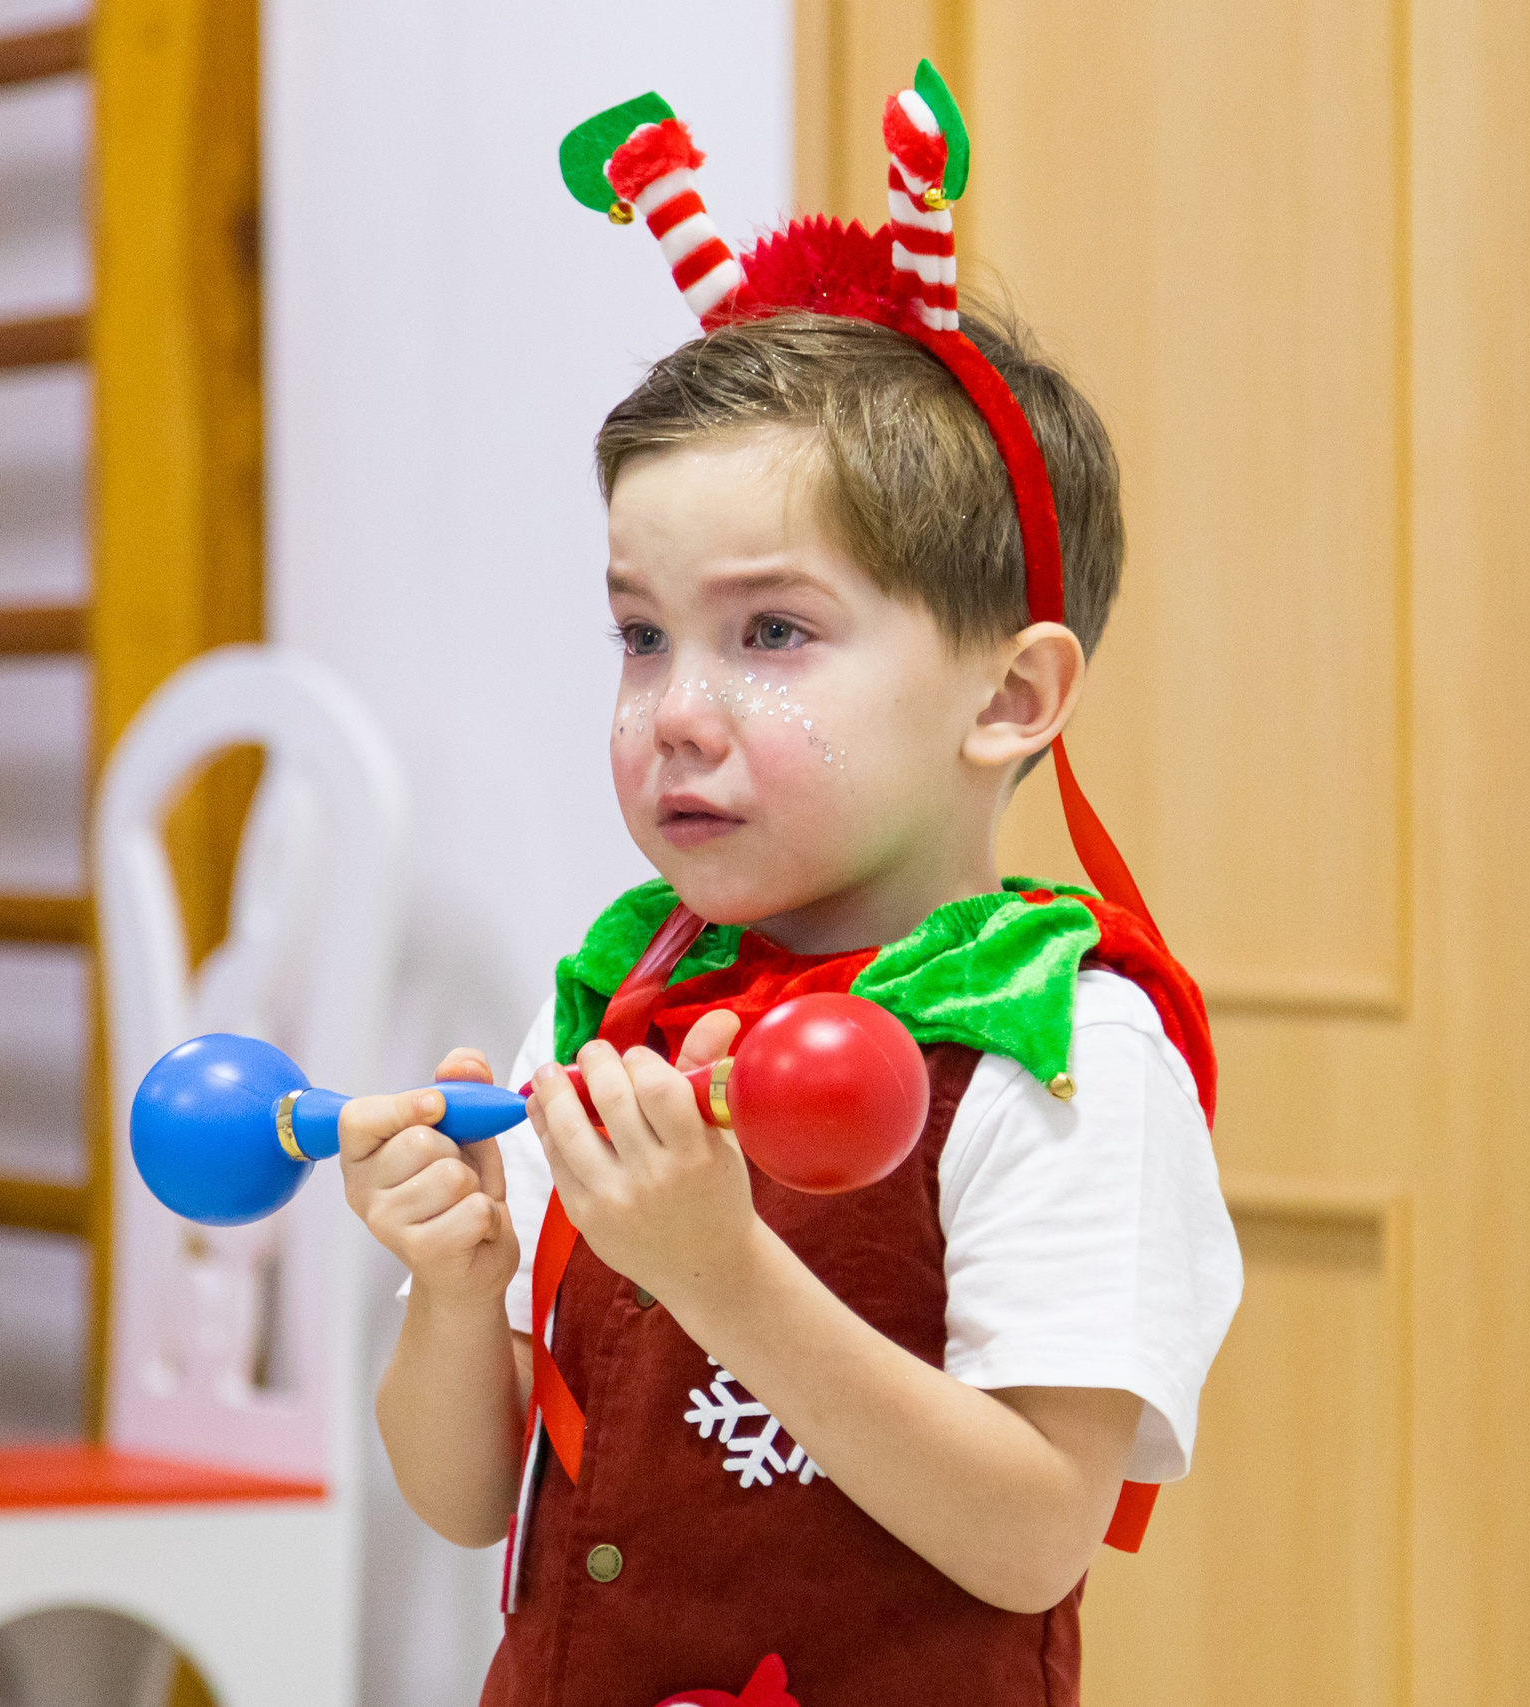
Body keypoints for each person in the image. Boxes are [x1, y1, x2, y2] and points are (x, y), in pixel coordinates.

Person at [332, 72, 1241, 1707]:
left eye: (772, 635)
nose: (677, 706)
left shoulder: (1058, 1052)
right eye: (640, 633)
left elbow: (1037, 1533)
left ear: (1012, 699)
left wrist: (723, 1275)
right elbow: (467, 1500)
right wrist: (460, 1291)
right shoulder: (622, 1005)